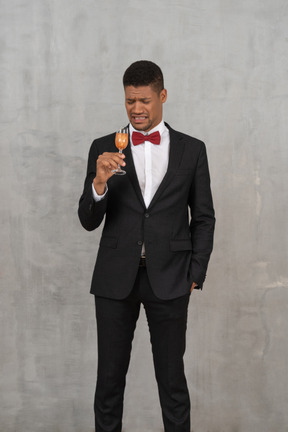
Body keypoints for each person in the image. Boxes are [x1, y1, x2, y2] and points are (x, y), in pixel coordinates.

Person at [78, 60, 215, 432]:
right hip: (113, 280)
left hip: (171, 279)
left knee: (172, 383)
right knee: (108, 382)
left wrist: (195, 273)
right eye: (129, 101)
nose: (136, 109)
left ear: (162, 96)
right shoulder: (104, 147)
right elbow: (88, 220)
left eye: (144, 101)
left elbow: (203, 218)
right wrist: (99, 183)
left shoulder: (192, 150)